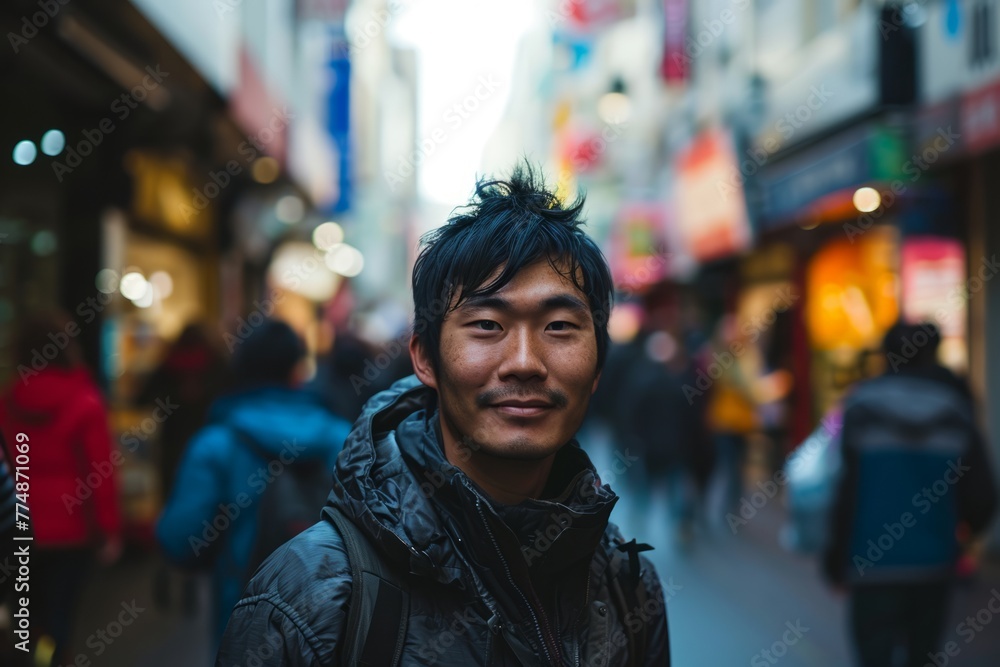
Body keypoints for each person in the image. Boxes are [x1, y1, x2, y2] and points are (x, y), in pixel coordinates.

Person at [216, 164, 671, 666]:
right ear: (425, 359)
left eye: (560, 326)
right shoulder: (310, 598)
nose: (525, 361)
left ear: (598, 365)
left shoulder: (627, 586)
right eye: (487, 325)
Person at [156, 319, 351, 647]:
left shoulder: (216, 443)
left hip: (243, 624)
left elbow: (179, 540)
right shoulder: (343, 436)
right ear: (297, 370)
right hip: (334, 625)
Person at [822, 322, 998, 667]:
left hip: (869, 565)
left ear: (885, 356)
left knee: (873, 655)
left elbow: (844, 491)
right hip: (934, 564)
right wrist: (957, 536)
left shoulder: (859, 408)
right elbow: (983, 496)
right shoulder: (956, 411)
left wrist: (836, 559)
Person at [0, 312, 122, 667]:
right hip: (72, 534)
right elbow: (99, 475)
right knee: (60, 619)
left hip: (17, 530)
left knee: (25, 616)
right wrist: (109, 532)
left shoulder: (8, 401)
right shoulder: (85, 401)